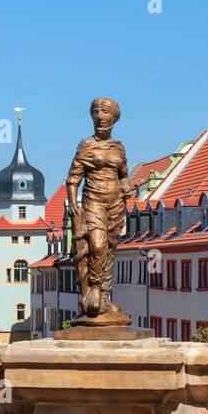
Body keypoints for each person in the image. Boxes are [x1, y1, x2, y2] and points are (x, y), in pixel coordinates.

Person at [65, 97, 131, 320]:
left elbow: (123, 176)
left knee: (109, 251)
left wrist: (127, 188)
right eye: (97, 113)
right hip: (93, 201)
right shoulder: (87, 145)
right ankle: (93, 287)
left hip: (115, 205)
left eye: (105, 114)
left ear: (113, 119)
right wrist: (73, 203)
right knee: (97, 245)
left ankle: (104, 297)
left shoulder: (119, 147)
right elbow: (73, 178)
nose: (100, 118)